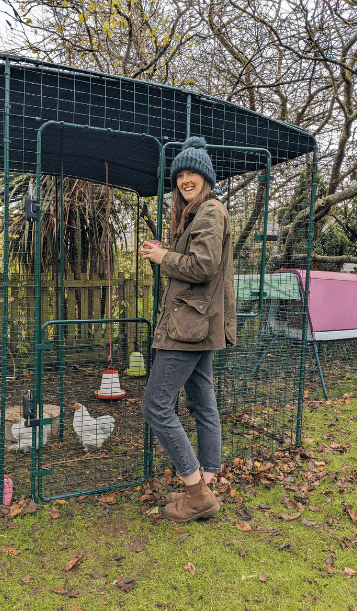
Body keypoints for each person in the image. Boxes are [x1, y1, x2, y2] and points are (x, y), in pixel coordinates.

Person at [138, 136, 236, 523]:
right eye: (180, 173)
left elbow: (203, 267)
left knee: (156, 405)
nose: (184, 179)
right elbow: (193, 262)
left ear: (206, 177)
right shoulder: (198, 214)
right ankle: (207, 478)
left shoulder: (210, 211)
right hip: (198, 323)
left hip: (188, 327)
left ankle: (196, 493)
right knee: (200, 401)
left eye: (192, 172)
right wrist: (166, 251)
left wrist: (165, 257)